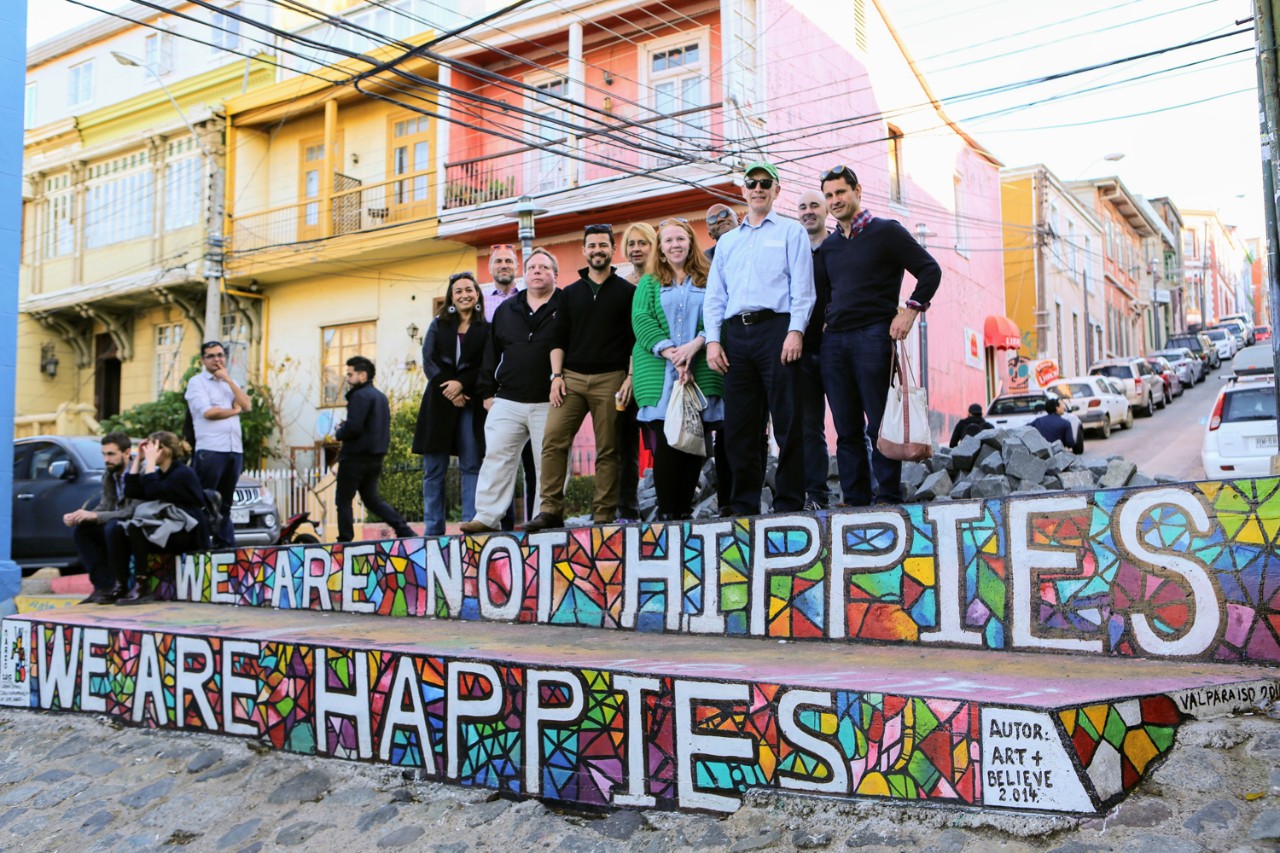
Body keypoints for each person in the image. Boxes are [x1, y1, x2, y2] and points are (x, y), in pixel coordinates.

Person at [816, 164, 940, 506]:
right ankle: (855, 498)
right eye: (829, 196)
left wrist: (910, 310)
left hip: (873, 336)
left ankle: (887, 496)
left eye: (840, 192)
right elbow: (823, 295)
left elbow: (930, 270)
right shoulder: (829, 248)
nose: (835, 200)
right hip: (834, 343)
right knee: (846, 429)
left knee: (879, 423)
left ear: (858, 192)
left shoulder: (887, 232)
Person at [704, 161, 815, 516]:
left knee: (787, 419)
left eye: (765, 183)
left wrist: (795, 330)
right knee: (739, 426)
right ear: (743, 190)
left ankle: (789, 501)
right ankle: (744, 503)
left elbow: (803, 288)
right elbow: (715, 297)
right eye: (751, 183)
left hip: (777, 330)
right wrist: (713, 341)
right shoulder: (728, 243)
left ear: (776, 190)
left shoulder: (790, 231)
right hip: (736, 334)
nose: (758, 188)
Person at [525, 225, 636, 531]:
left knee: (609, 449)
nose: (597, 250)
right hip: (570, 380)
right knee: (553, 441)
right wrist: (556, 376)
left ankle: (603, 515)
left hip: (611, 380)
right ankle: (550, 510)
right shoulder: (569, 294)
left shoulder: (628, 292)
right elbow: (557, 337)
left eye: (603, 245)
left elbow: (634, 339)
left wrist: (629, 377)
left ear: (612, 250)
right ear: (584, 251)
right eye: (592, 245)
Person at [459, 248, 565, 534]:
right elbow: (492, 352)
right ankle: (486, 517)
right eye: (532, 268)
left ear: (555, 274)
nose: (537, 272)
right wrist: (488, 393)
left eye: (544, 267)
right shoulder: (508, 308)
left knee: (549, 464)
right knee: (496, 458)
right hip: (508, 399)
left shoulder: (566, 304)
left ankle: (545, 516)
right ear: (525, 274)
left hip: (551, 400)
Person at [631, 219, 724, 519]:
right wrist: (672, 353)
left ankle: (684, 513)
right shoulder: (649, 282)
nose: (675, 245)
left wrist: (694, 347)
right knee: (668, 446)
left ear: (690, 243)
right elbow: (642, 319)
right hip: (659, 373)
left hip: (698, 369)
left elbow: (714, 314)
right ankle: (669, 515)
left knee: (693, 444)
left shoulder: (707, 277)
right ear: (660, 247)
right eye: (668, 240)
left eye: (680, 239)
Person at [412, 273, 489, 536]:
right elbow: (429, 361)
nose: (464, 294)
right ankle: (433, 528)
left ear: (477, 294)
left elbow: (485, 365)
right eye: (458, 291)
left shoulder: (485, 329)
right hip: (438, 402)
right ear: (451, 297)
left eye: (469, 289)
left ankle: (470, 520)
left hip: (470, 402)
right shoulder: (438, 324)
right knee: (434, 470)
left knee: (471, 463)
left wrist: (462, 385)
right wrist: (450, 388)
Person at [109, 431, 207, 605]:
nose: (148, 453)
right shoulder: (161, 474)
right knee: (117, 529)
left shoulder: (182, 473)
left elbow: (154, 490)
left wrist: (150, 463)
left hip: (188, 531)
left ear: (166, 451)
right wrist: (138, 459)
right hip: (167, 528)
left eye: (152, 448)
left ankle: (142, 586)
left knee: (136, 528)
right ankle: (121, 584)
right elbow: (131, 491)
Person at [335, 356, 415, 542]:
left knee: (343, 500)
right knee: (372, 500)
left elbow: (354, 427)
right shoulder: (380, 396)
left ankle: (345, 540)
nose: (347, 378)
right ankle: (403, 530)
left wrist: (340, 432)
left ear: (362, 375)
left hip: (355, 457)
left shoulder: (359, 396)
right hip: (376, 457)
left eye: (350, 374)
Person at [185, 340, 252, 548]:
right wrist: (233, 411)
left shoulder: (230, 382)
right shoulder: (197, 383)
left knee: (226, 503)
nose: (217, 359)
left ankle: (225, 545)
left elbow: (247, 405)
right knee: (205, 500)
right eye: (212, 356)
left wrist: (230, 381)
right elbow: (209, 412)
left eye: (220, 355)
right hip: (211, 450)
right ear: (203, 360)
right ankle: (201, 544)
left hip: (234, 449)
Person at [63, 432, 138, 603]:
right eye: (104, 454)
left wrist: (95, 515)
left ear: (127, 453)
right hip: (118, 521)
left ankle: (121, 585)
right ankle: (103, 586)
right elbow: (105, 505)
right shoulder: (109, 474)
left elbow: (133, 511)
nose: (106, 459)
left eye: (111, 454)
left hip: (139, 522)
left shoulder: (138, 472)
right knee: (82, 530)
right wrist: (81, 516)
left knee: (112, 527)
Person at [616, 223, 657, 521]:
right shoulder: (620, 284)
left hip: (653, 370)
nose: (636, 248)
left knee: (660, 441)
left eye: (643, 242)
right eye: (631, 243)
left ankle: (672, 503)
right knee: (624, 444)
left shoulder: (662, 280)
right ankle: (627, 509)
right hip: (622, 374)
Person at [797, 189, 833, 510]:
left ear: (825, 211)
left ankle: (864, 493)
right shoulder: (793, 250)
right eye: (803, 207)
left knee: (851, 424)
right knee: (810, 427)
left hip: (837, 348)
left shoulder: (838, 247)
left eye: (814, 206)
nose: (808, 211)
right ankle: (816, 495)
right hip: (802, 352)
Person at [482, 244, 521, 322]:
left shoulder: (527, 297)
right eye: (498, 261)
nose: (504, 266)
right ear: (490, 268)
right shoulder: (481, 300)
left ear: (517, 268)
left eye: (508, 261)